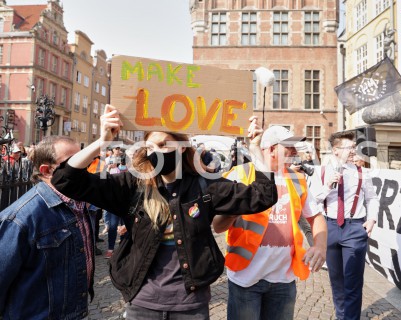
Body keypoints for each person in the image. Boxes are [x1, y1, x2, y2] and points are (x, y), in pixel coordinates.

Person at [51, 104, 277, 319]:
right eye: (150, 147)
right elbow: (65, 181)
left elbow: (263, 195)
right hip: (143, 303)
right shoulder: (133, 186)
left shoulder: (205, 185)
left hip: (191, 305)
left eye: (163, 145)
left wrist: (255, 147)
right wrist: (102, 141)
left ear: (182, 147)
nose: (156, 152)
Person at [212, 124, 327, 320]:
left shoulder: (297, 179)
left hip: (284, 280)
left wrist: (320, 246)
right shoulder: (239, 175)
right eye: (288, 146)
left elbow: (316, 217)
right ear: (271, 149)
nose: (294, 151)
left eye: (294, 146)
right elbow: (217, 225)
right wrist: (233, 212)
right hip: (245, 279)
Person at [0, 136, 95, 319]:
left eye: (83, 157)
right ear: (47, 170)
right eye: (72, 161)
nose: (82, 165)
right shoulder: (20, 218)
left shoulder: (81, 203)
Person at [313, 131, 379, 320]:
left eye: (353, 147)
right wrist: (327, 187)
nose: (353, 151)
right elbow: (312, 201)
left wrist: (372, 218)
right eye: (349, 147)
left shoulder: (362, 173)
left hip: (354, 228)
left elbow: (372, 198)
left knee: (353, 282)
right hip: (329, 227)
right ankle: (341, 315)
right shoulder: (321, 172)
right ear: (335, 150)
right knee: (336, 280)